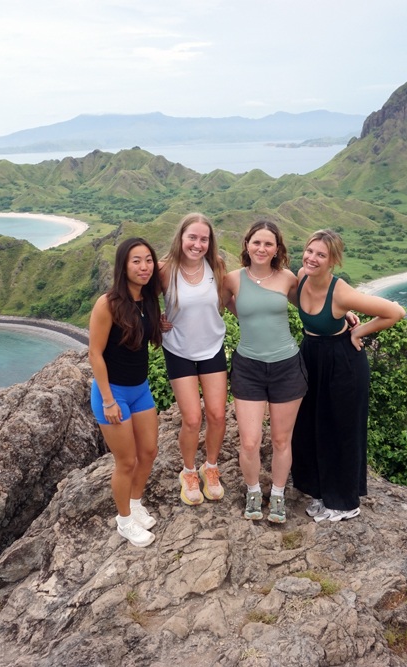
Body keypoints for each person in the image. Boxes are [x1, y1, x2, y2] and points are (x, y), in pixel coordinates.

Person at [291, 229, 406, 522]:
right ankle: (320, 492)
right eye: (310, 251)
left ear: (333, 262)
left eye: (322, 255)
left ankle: (344, 502)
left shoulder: (340, 291)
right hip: (311, 356)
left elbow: (395, 312)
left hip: (342, 361)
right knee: (309, 425)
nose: (313, 258)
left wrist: (359, 330)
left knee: (341, 429)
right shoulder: (301, 276)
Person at [222, 219, 305, 523]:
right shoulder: (232, 279)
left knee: (282, 440)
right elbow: (214, 307)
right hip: (248, 367)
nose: (261, 248)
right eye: (256, 242)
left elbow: (312, 305)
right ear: (247, 245)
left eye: (268, 243)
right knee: (249, 441)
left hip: (287, 366)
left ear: (277, 249)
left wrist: (345, 312)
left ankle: (280, 495)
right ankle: (254, 491)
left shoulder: (288, 278)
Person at [88, 237, 164, 547]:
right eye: (136, 260)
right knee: (127, 461)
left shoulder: (147, 299)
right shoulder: (108, 303)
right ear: (123, 265)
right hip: (113, 393)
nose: (144, 266)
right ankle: (123, 521)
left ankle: (134, 504)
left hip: (140, 389)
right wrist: (107, 400)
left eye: (148, 260)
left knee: (148, 452)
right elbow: (94, 353)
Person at [159, 213, 229, 506]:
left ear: (209, 242)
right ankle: (189, 472)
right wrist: (154, 320)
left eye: (203, 239)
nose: (197, 244)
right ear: (181, 237)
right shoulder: (165, 269)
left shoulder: (217, 267)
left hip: (212, 346)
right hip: (178, 349)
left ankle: (209, 467)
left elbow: (228, 303)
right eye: (192, 237)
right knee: (192, 418)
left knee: (217, 415)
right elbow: (140, 298)